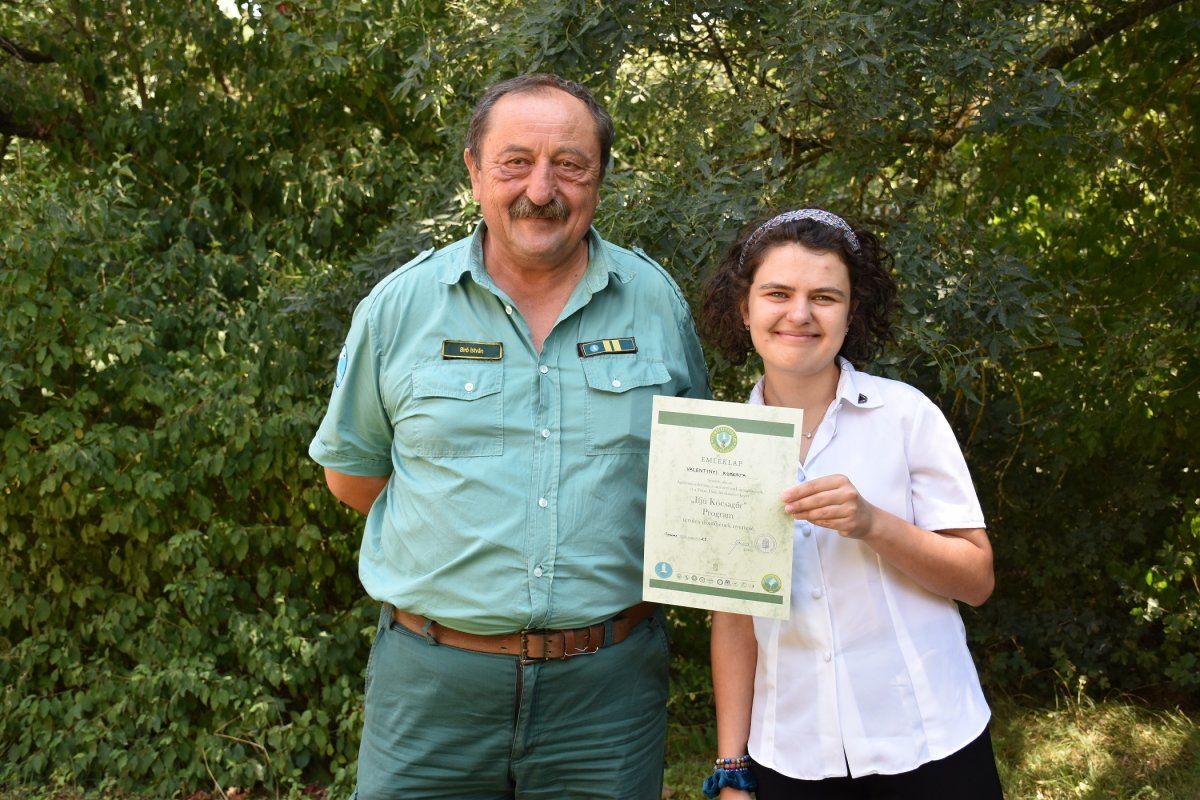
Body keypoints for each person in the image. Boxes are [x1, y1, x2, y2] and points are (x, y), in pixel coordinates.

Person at [308, 73, 710, 800]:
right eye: (515, 161)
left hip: (607, 696)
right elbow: (355, 474)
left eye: (571, 164)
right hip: (433, 688)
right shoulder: (399, 308)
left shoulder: (656, 303)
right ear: (473, 171)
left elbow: (698, 480)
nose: (541, 188)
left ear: (600, 179)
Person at [697, 209, 1003, 799]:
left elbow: (977, 579)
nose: (799, 314)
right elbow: (733, 620)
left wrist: (873, 524)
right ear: (745, 308)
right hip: (792, 755)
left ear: (851, 312)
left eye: (825, 296)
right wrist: (732, 770)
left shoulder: (906, 415)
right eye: (777, 293)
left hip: (931, 740)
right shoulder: (720, 446)